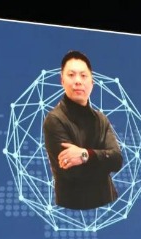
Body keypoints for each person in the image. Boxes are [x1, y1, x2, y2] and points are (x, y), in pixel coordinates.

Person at [43, 50, 123, 210]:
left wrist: (85, 155)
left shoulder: (101, 119)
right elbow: (73, 172)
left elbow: (117, 160)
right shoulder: (54, 120)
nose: (78, 81)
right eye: (71, 75)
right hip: (71, 210)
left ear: (92, 83)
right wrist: (103, 159)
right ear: (62, 81)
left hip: (109, 203)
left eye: (83, 75)